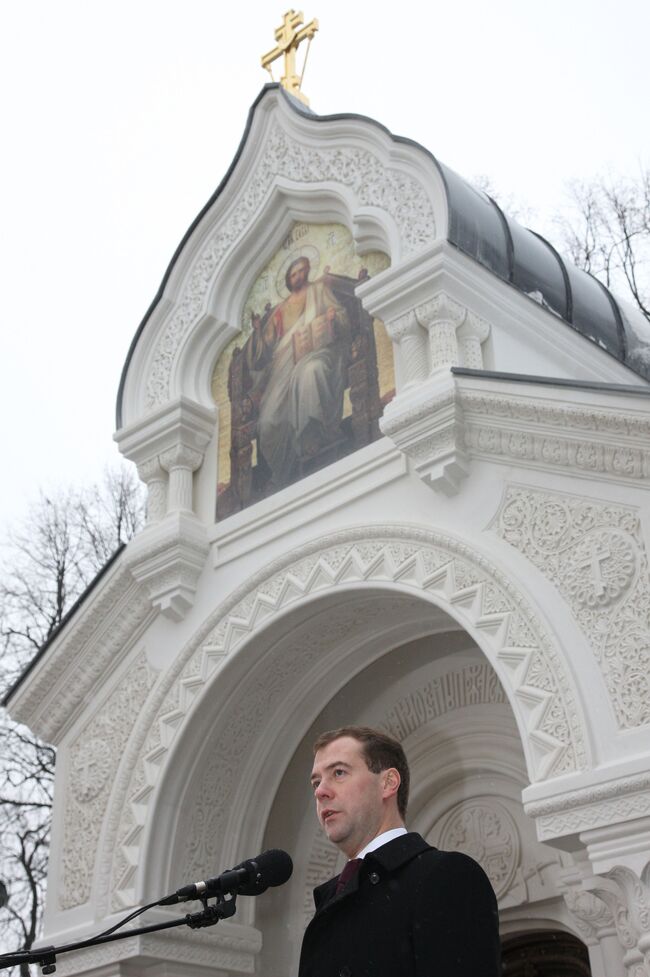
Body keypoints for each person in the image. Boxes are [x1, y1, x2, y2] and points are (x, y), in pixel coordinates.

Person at [299, 726, 501, 977]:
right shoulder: (329, 901)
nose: (320, 791)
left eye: (339, 772)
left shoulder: (445, 876)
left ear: (388, 783)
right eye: (316, 782)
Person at [243, 256, 350, 487]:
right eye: (294, 274)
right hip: (284, 363)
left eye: (302, 271)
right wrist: (259, 331)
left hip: (320, 352)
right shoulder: (280, 311)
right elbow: (265, 348)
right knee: (268, 420)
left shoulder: (319, 290)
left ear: (308, 271)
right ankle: (282, 471)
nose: (299, 276)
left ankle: (314, 440)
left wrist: (333, 318)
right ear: (288, 279)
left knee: (311, 373)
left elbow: (342, 316)